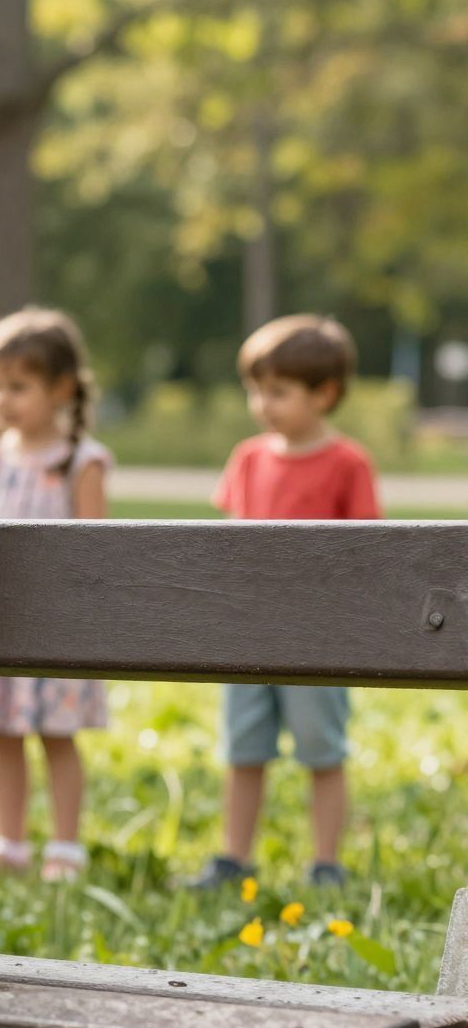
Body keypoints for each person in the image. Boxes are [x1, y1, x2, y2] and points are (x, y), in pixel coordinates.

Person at [186, 314, 379, 890]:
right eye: (256, 390)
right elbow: (231, 542)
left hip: (317, 635)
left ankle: (326, 862)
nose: (262, 404)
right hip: (247, 633)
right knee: (244, 747)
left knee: (322, 750)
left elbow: (366, 549)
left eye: (278, 392)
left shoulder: (347, 462)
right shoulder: (248, 457)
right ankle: (233, 856)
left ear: (324, 394)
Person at [0, 308, 112, 883]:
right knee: (2, 735)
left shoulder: (80, 463)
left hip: (55, 628)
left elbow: (94, 550)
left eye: (18, 386)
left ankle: (64, 848)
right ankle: (8, 844)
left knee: (57, 736)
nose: (1, 399)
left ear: (61, 388)